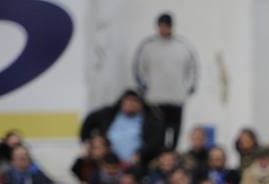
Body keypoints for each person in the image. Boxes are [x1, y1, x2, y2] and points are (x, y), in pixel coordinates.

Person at [132, 13, 197, 149]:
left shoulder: (183, 46)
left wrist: (187, 88)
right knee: (156, 133)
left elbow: (192, 69)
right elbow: (139, 69)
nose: (164, 29)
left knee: (175, 132)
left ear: (171, 27)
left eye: (166, 26)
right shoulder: (148, 46)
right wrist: (144, 88)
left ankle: (171, 156)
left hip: (176, 98)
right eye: (161, 26)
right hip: (154, 99)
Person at [79, 90, 165, 168]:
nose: (130, 104)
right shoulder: (110, 114)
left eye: (134, 101)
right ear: (122, 102)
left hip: (135, 164)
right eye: (127, 101)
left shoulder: (149, 120)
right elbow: (89, 121)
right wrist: (87, 141)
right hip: (107, 163)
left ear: (140, 104)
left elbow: (155, 141)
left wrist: (141, 154)